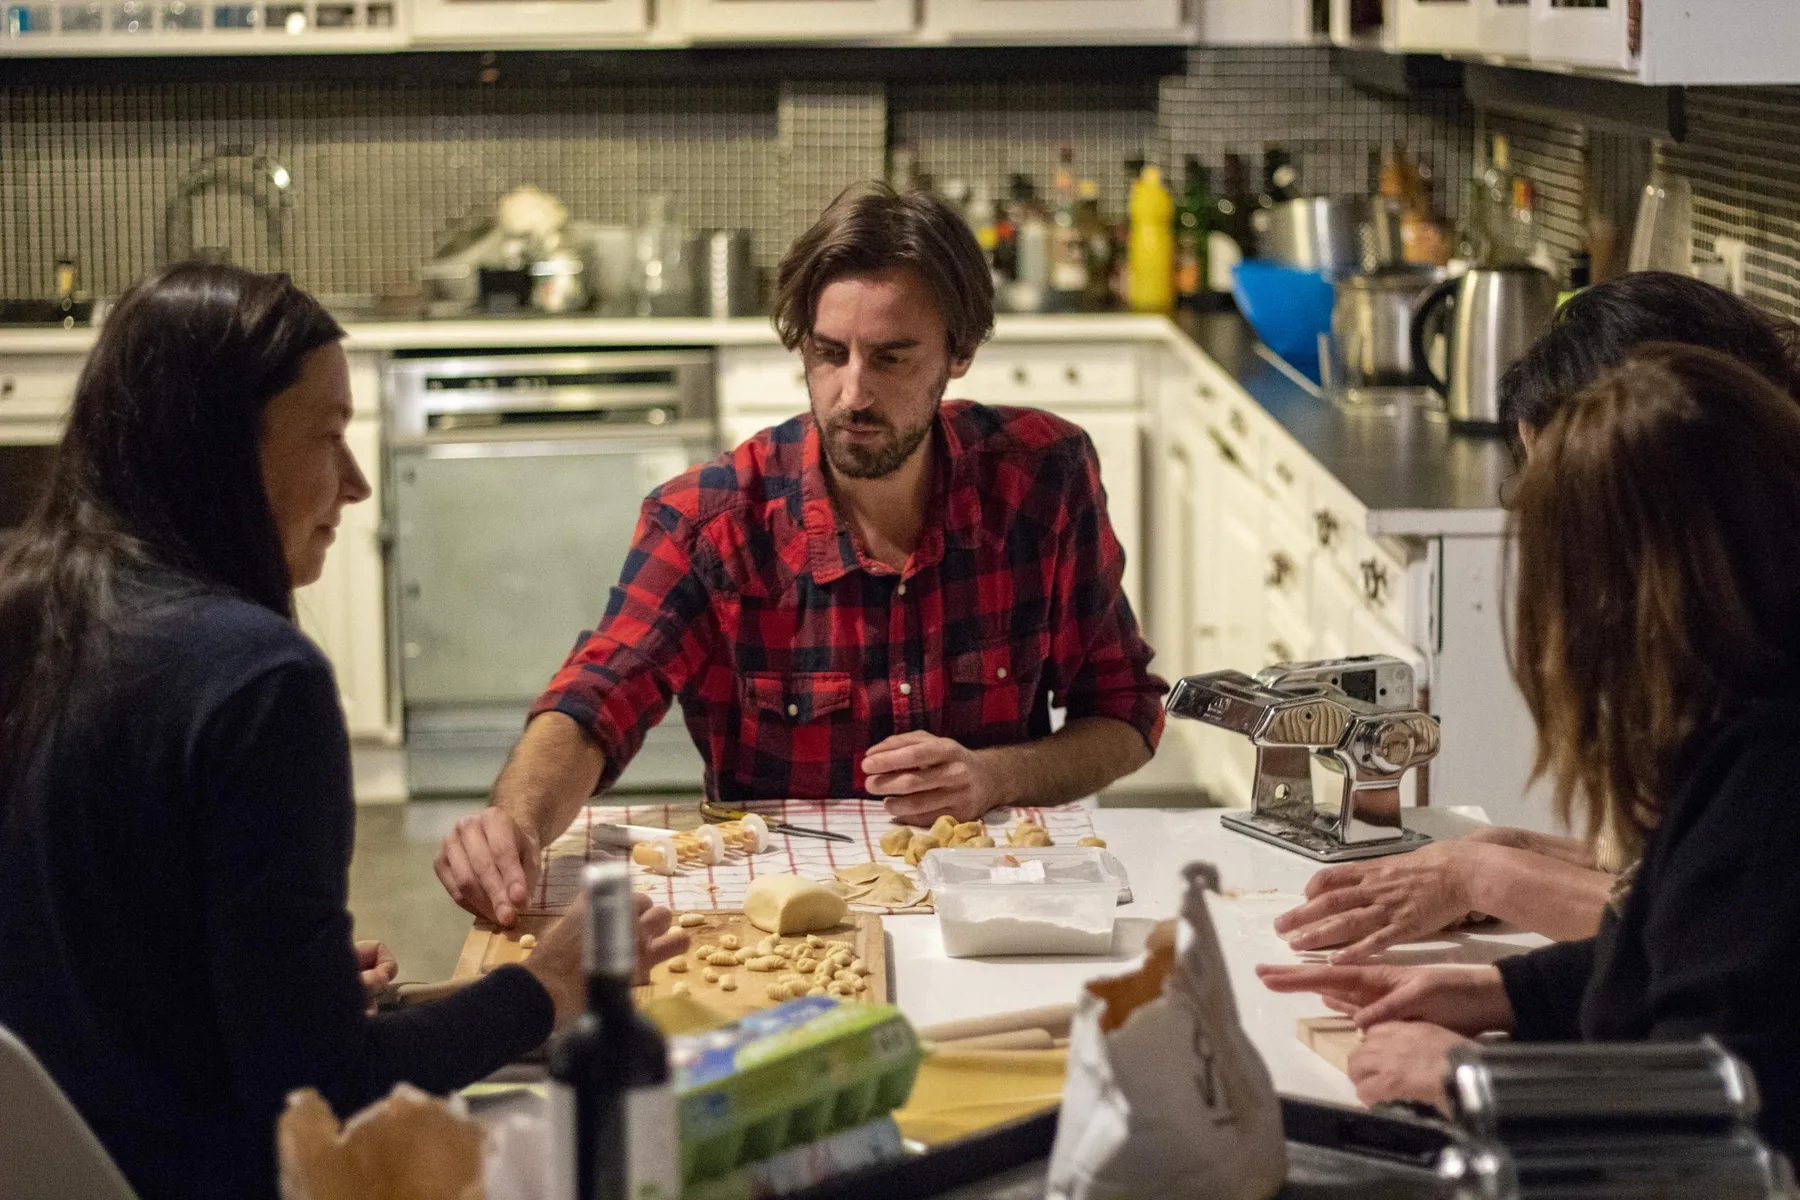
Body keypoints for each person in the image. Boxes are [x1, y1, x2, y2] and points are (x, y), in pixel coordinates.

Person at [0, 263, 687, 1200]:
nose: (357, 484)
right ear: (221, 452)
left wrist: (273, 984)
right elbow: (325, 1088)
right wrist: (548, 985)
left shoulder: (22, 610)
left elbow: (82, 951)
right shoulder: (258, 684)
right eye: (329, 436)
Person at [436, 183, 1168, 927]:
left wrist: (996, 775)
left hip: (996, 905)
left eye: (891, 357)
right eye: (829, 354)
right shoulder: (708, 521)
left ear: (960, 352)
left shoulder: (1043, 478)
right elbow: (596, 700)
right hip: (783, 916)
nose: (853, 393)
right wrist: (517, 824)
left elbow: (1127, 712)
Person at [1260, 344, 1800, 1160]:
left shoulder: (1771, 777)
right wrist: (1499, 992)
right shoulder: (1745, 727)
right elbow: (1692, 961)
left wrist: (1471, 1081)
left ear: (1632, 588)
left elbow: (1718, 1122)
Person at [1275, 272, 1800, 963]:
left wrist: (1489, 878)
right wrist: (1518, 860)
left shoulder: (1765, 709)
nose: (1553, 552)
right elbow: (1704, 875)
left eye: (1568, 504)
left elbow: (1716, 939)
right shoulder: (1729, 617)